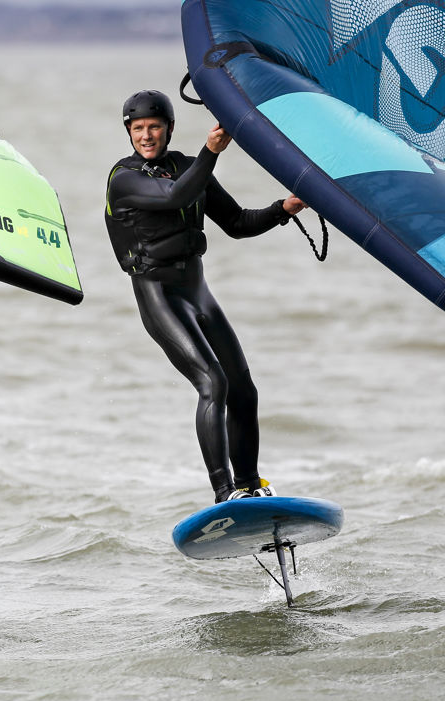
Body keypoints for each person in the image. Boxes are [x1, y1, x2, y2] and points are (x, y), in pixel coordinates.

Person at [103, 89, 306, 503]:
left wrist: (284, 207)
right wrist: (211, 151)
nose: (146, 136)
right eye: (138, 128)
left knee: (243, 388)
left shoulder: (187, 166)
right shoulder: (123, 179)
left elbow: (236, 222)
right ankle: (223, 493)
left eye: (154, 127)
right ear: (128, 132)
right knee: (212, 383)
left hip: (197, 290)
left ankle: (251, 486)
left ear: (169, 129)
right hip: (159, 293)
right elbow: (175, 196)